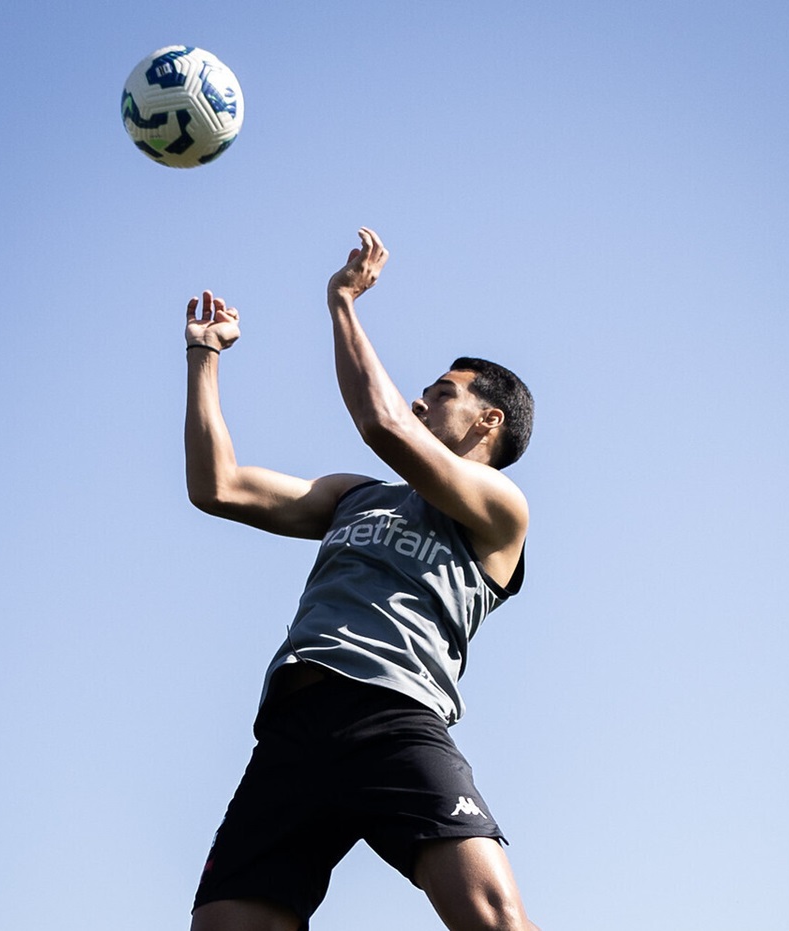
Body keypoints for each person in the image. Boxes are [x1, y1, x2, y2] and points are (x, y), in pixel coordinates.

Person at [184, 228, 540, 931]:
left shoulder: (500, 509)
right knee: (224, 924)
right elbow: (216, 486)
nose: (419, 403)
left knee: (491, 919)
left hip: (393, 717)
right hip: (292, 729)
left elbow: (382, 422)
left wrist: (343, 303)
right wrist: (204, 356)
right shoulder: (356, 495)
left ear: (489, 419)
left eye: (441, 394)